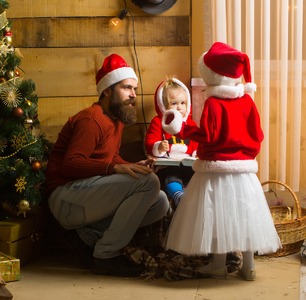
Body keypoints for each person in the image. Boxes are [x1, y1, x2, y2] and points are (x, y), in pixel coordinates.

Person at [162, 42, 281, 280]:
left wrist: (185, 130)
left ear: (211, 75)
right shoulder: (247, 101)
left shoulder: (214, 103)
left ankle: (218, 263)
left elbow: (209, 136)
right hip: (243, 171)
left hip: (215, 170)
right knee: (245, 215)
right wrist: (245, 154)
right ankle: (248, 266)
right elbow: (258, 135)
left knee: (214, 216)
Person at [44, 53, 170, 277]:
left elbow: (107, 159)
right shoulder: (91, 119)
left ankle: (88, 238)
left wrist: (133, 165)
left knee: (159, 201)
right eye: (126, 88)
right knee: (149, 183)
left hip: (86, 196)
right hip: (65, 199)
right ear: (107, 91)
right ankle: (106, 256)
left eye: (135, 89)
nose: (133, 95)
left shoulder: (116, 120)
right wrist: (115, 168)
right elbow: (70, 165)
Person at [145, 77, 198, 206]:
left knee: (197, 175)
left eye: (183, 103)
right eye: (174, 103)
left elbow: (197, 142)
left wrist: (197, 153)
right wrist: (159, 147)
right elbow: (150, 141)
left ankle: (195, 198)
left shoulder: (190, 123)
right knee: (171, 177)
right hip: (168, 165)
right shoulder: (158, 122)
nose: (179, 107)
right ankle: (179, 196)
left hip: (187, 164)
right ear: (163, 105)